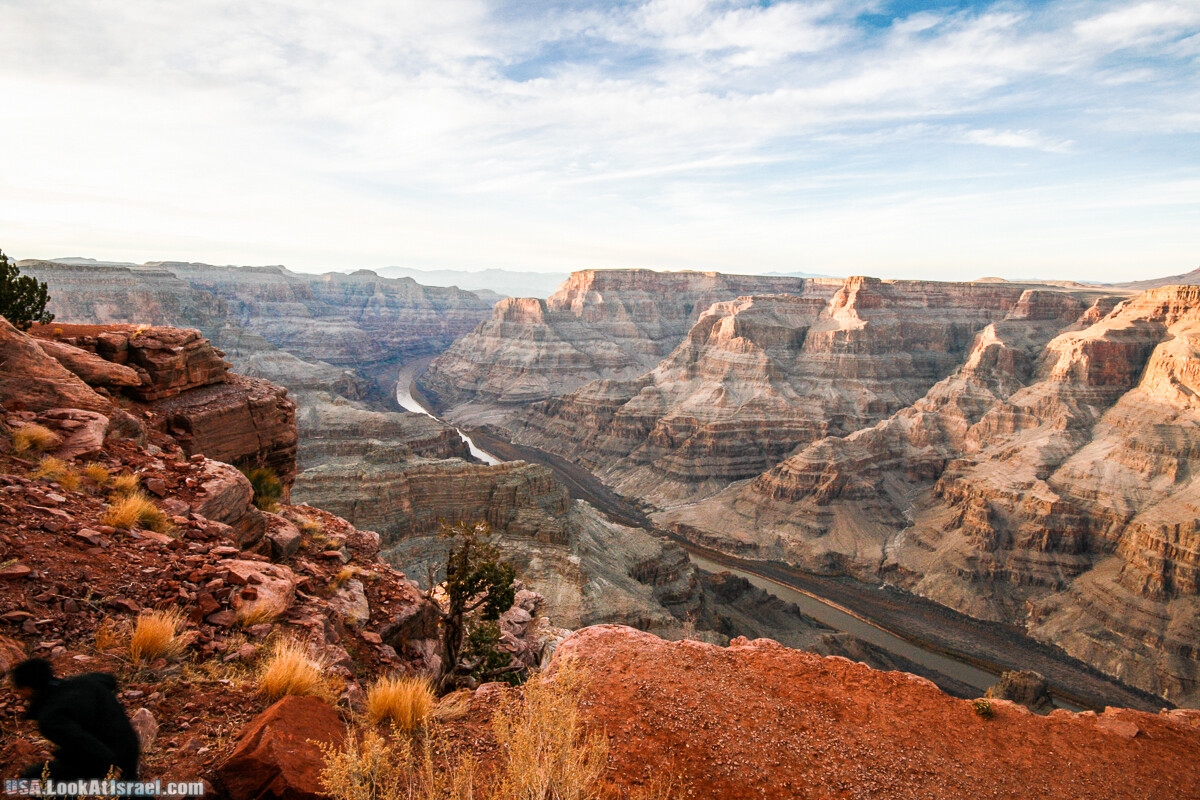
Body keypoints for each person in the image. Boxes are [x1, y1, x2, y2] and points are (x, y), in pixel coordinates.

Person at [12, 658, 140, 781]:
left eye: (20, 688)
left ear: (30, 688)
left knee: (32, 780)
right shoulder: (83, 682)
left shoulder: (50, 717)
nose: (19, 692)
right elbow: (109, 679)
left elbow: (89, 746)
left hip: (109, 758)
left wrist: (110, 767)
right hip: (129, 744)